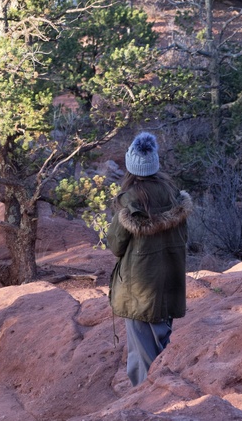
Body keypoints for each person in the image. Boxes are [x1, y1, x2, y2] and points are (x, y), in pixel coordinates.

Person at [108, 132, 191, 387]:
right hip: (170, 282)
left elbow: (115, 245)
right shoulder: (175, 195)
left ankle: (147, 403)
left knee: (142, 356)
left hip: (140, 288)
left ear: (131, 167)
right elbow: (184, 237)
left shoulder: (129, 200)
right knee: (162, 343)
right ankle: (162, 393)